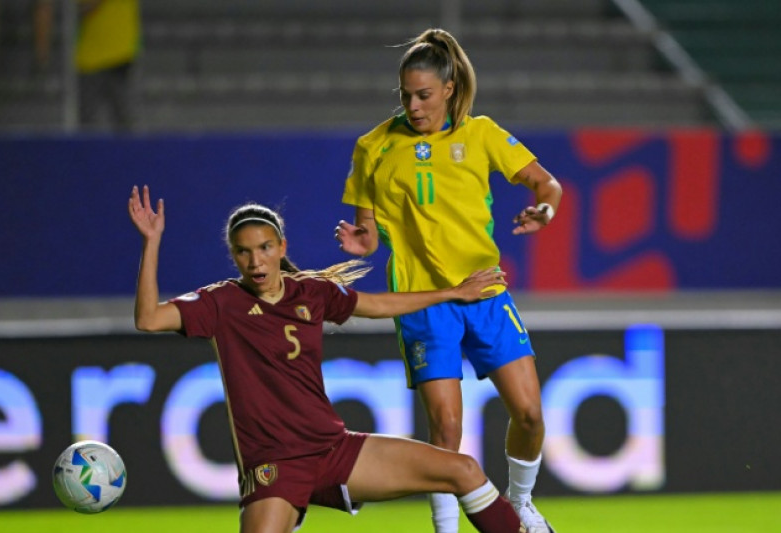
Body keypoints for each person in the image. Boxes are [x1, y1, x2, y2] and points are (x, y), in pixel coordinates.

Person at [127, 185, 525, 533]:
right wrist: (151, 242)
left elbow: (378, 303)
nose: (256, 261)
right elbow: (148, 319)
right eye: (244, 252)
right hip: (274, 466)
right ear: (234, 256)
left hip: (334, 451)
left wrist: (453, 293)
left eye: (265, 248)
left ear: (282, 248)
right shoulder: (221, 303)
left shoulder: (311, 292)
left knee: (464, 470)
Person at [335, 28, 563, 533]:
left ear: (450, 89)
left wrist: (544, 209)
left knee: (529, 413)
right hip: (423, 300)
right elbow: (369, 232)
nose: (413, 106)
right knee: (448, 427)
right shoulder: (372, 147)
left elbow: (547, 183)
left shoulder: (481, 134)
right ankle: (446, 529)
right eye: (406, 95)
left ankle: (520, 504)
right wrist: (362, 242)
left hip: (484, 291)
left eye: (423, 95)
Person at [35, 0, 141, 132]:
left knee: (123, 121)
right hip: (93, 54)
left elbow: (88, 6)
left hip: (117, 52)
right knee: (90, 123)